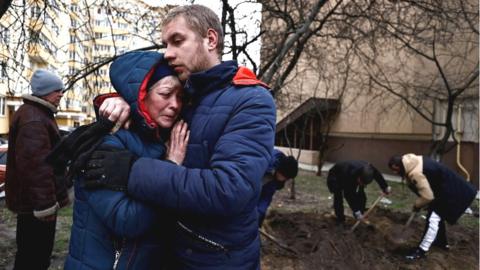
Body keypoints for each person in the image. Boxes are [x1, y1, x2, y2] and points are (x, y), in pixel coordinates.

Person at [83, 4, 276, 269]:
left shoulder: (251, 100)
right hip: (170, 255)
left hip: (217, 260)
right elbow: (149, 103)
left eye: (177, 41)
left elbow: (229, 189)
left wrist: (133, 171)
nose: (168, 53)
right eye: (165, 44)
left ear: (210, 39)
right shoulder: (187, 97)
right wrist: (126, 101)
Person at [63, 51, 188, 269]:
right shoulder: (107, 142)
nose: (175, 104)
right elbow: (127, 220)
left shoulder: (165, 138)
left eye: (180, 97)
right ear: (141, 95)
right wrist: (171, 168)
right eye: (166, 93)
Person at [5, 69, 70, 270]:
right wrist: (45, 206)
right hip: (36, 207)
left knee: (30, 255)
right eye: (57, 90)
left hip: (32, 204)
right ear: (44, 92)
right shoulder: (34, 119)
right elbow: (36, 167)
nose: (61, 94)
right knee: (34, 257)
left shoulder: (37, 114)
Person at [388, 153, 476, 260]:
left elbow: (428, 196)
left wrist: (417, 205)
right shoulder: (413, 161)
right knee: (435, 214)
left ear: (400, 166)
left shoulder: (415, 173)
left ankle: (421, 251)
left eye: (395, 169)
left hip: (454, 192)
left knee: (433, 219)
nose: (394, 172)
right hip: (448, 189)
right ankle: (441, 242)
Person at [327, 160, 391, 225]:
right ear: (359, 178)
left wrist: (385, 187)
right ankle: (340, 218)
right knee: (338, 195)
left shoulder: (370, 169)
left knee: (361, 193)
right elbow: (348, 195)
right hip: (336, 177)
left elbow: (378, 176)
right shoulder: (348, 175)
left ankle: (359, 215)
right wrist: (356, 211)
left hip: (353, 176)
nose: (363, 185)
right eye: (362, 183)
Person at [257, 149, 298, 227]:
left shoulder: (275, 179)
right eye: (286, 177)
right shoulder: (265, 163)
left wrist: (259, 213)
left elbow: (266, 196)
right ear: (280, 171)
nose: (286, 180)